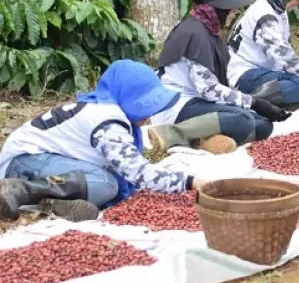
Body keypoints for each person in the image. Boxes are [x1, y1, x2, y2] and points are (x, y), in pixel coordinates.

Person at [0, 60, 205, 222]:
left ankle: (51, 203)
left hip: (40, 161)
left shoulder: (104, 108)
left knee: (103, 183)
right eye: (143, 104)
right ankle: (19, 189)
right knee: (105, 184)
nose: (149, 114)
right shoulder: (107, 121)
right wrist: (189, 181)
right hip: (23, 162)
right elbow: (138, 173)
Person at [153, 0, 286, 148]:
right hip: (178, 106)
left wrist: (252, 105)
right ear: (218, 8)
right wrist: (254, 102)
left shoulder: (207, 29)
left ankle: (202, 140)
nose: (235, 12)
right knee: (243, 118)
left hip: (198, 102)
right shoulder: (195, 33)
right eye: (231, 8)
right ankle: (170, 134)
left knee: (263, 125)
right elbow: (208, 90)